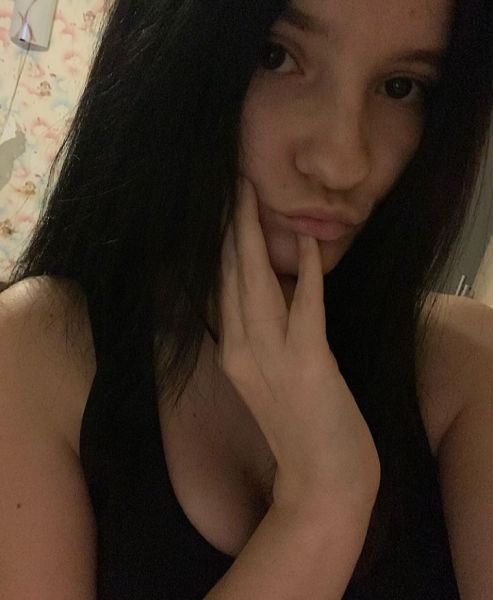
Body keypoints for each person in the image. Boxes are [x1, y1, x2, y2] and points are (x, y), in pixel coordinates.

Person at [0, 0, 492, 597]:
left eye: (399, 87)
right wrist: (323, 507)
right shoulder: (37, 357)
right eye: (275, 56)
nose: (342, 164)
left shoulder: (468, 369)